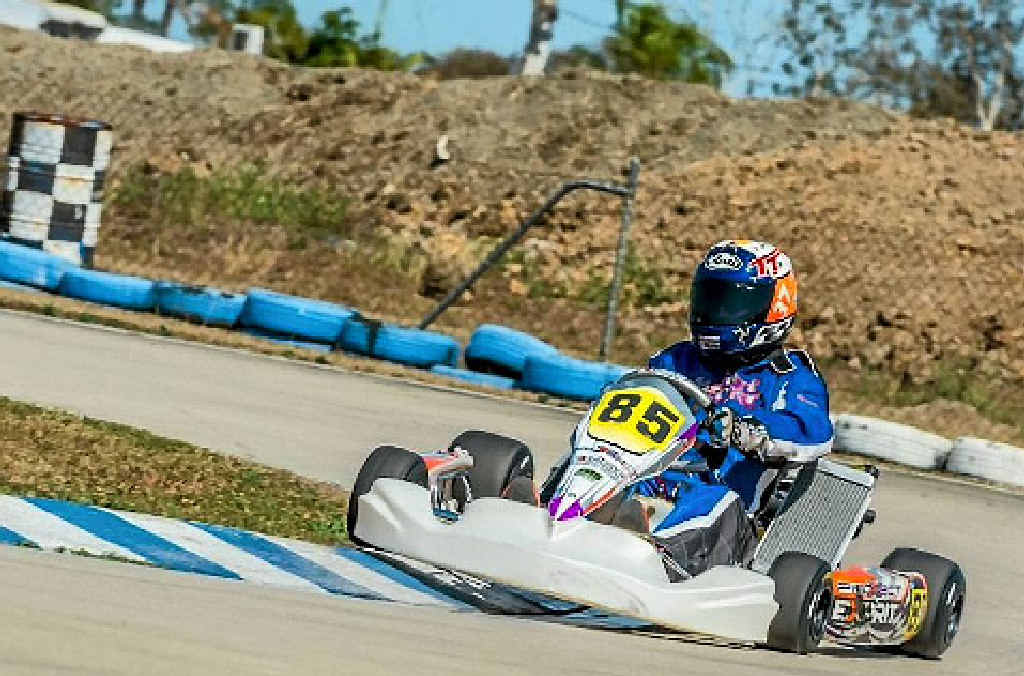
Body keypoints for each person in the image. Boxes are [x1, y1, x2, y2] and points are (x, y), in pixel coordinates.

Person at [618, 239, 835, 577]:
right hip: (655, 480)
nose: (716, 314)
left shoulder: (790, 377)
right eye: (711, 299)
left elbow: (812, 434)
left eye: (731, 303)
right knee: (616, 479)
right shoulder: (677, 359)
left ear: (774, 307)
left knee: (710, 499)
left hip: (731, 516)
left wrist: (749, 430)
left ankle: (653, 557)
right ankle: (555, 516)